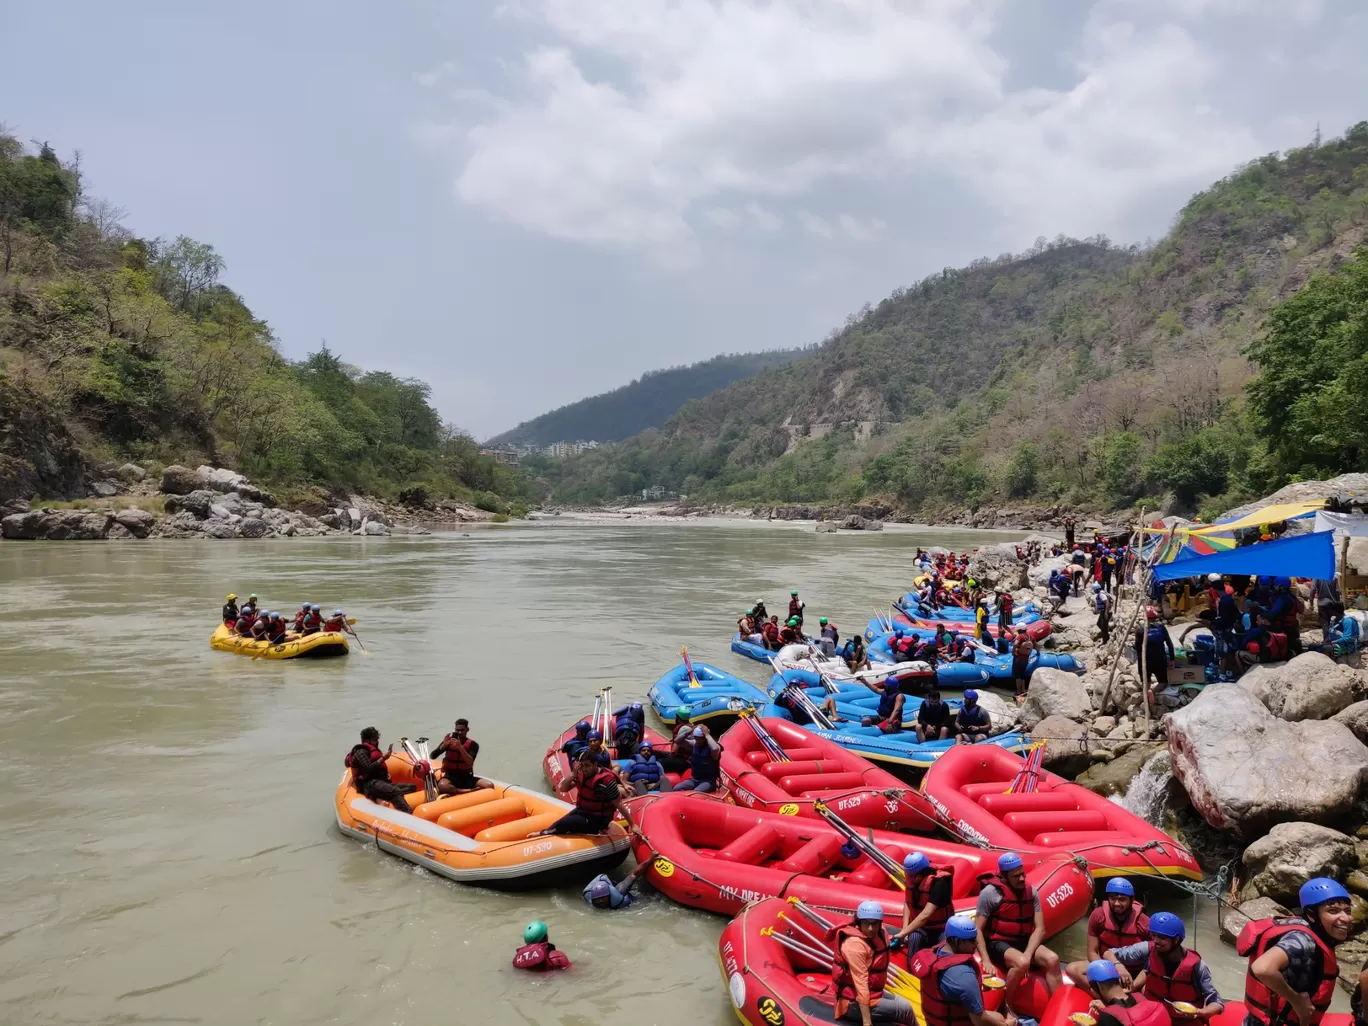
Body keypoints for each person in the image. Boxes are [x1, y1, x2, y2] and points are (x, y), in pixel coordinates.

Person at [1240, 876, 1351, 1026]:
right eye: (1333, 911)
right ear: (1312, 914)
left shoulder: (1305, 925)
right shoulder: (1304, 941)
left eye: (1347, 911)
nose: (1345, 918)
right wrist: (1296, 1000)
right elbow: (1262, 968)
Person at [1096, 911, 1224, 1023]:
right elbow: (1109, 953)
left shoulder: (1198, 966)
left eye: (1162, 938)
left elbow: (1216, 1003)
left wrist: (1200, 1012)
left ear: (1176, 940)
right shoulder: (1148, 949)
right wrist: (1119, 966)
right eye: (1154, 935)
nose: (1156, 941)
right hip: (1153, 1018)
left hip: (1183, 1022)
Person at [975, 852, 1063, 1005]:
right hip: (997, 943)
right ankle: (1006, 1005)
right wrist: (986, 960)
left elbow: (1040, 929)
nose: (1021, 879)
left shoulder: (1031, 892)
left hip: (1022, 942)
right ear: (1004, 876)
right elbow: (977, 929)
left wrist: (1028, 954)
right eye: (1016, 876)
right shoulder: (990, 893)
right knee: (1021, 963)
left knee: (1053, 959)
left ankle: (1058, 1007)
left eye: (1022, 874)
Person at [911, 915, 1018, 1026]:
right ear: (957, 941)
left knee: (998, 1016)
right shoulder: (964, 975)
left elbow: (949, 984)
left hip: (933, 1022)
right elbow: (979, 1021)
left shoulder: (937, 952)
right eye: (972, 940)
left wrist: (978, 981)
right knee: (1002, 1020)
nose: (976, 943)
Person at [830, 901, 916, 1024]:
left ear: (880, 923)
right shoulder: (854, 945)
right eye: (866, 923)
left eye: (874, 924)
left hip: (874, 994)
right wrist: (867, 1021)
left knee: (905, 1004)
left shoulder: (881, 932)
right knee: (904, 1009)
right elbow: (861, 983)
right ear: (859, 923)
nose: (871, 928)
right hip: (851, 1003)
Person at [539, 749, 639, 836]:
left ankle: (542, 834)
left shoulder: (605, 781)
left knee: (566, 823)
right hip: (583, 812)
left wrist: (633, 825)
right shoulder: (581, 775)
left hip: (599, 819)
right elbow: (563, 789)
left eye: (587, 765)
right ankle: (546, 832)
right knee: (560, 822)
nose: (585, 769)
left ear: (595, 764)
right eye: (582, 766)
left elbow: (618, 803)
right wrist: (572, 775)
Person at [895, 852, 955, 957]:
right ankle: (911, 969)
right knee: (914, 938)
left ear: (918, 876)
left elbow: (926, 915)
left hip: (941, 929)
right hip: (921, 929)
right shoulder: (913, 881)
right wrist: (904, 930)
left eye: (908, 875)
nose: (906, 877)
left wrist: (902, 934)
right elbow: (908, 903)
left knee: (946, 947)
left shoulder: (940, 883)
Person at [345, 727, 416, 813]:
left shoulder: (371, 750)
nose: (377, 741)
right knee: (395, 791)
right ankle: (407, 814)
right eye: (375, 739)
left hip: (379, 782)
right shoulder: (361, 752)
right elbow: (368, 769)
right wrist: (383, 758)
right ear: (367, 740)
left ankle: (383, 796)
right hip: (368, 784)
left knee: (411, 787)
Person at [1082, 959, 1169, 1026]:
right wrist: (1107, 1008)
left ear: (1098, 985)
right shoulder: (1140, 998)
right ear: (1118, 980)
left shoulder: (1107, 1017)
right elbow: (1128, 1012)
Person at [1089, 879, 1150, 960]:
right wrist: (1103, 970)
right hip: (1107, 966)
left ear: (1132, 900)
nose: (1116, 903)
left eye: (1122, 899)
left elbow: (1154, 953)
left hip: (1135, 970)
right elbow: (1092, 952)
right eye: (1112, 898)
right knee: (1072, 968)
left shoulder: (1144, 922)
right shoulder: (1098, 916)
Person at [430, 718, 493, 795]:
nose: (459, 732)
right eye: (457, 730)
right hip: (450, 776)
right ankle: (463, 791)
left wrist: (460, 748)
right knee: (442, 785)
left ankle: (459, 790)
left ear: (467, 729)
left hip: (467, 777)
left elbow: (470, 762)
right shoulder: (449, 742)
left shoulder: (473, 745)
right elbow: (432, 756)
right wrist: (443, 746)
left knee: (489, 785)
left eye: (462, 730)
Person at [583, 859, 652, 909]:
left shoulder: (619, 891)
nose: (601, 901)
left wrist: (650, 858)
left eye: (603, 898)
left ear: (609, 895)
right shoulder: (588, 896)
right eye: (597, 899)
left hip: (625, 897)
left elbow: (634, 874)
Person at [1135, 608, 1176, 689]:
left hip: (1146, 660)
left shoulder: (1140, 629)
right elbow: (1169, 644)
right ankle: (1153, 692)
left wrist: (1140, 665)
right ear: (1155, 617)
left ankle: (1147, 693)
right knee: (1163, 682)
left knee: (1146, 682)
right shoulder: (1161, 627)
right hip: (1160, 658)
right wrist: (1172, 659)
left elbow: (1138, 649)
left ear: (1145, 617)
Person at [672, 727, 721, 792]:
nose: (698, 741)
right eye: (696, 739)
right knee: (676, 788)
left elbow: (715, 749)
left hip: (708, 781)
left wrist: (707, 734)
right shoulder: (694, 744)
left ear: (705, 738)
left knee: (696, 792)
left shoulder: (712, 749)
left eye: (700, 739)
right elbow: (677, 741)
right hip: (695, 779)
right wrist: (689, 732)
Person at [1011, 630, 1036, 702]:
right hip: (1026, 658)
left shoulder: (1020, 636)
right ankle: (1023, 689)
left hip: (1019, 658)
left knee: (1018, 675)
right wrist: (1037, 652)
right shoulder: (1030, 636)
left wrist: (1013, 651)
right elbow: (1036, 645)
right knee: (1022, 674)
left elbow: (1015, 644)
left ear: (1020, 630)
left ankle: (1018, 691)